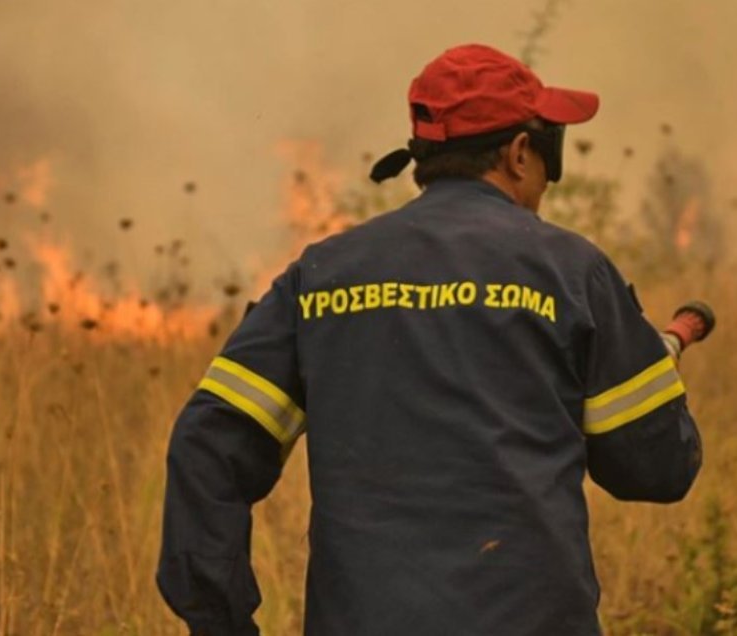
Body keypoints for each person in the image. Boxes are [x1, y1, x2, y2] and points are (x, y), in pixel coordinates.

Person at [157, 43, 702, 636]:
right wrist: (651, 371)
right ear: (520, 153)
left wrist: (221, 622)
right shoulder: (571, 272)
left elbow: (208, 446)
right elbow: (655, 470)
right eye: (552, 153)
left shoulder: (321, 277)